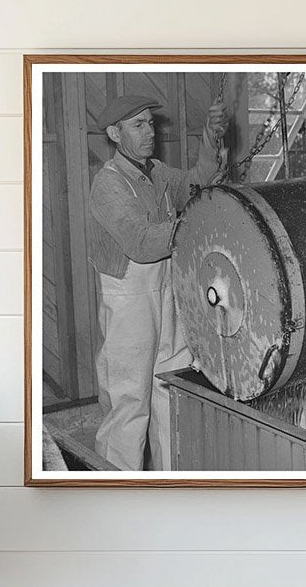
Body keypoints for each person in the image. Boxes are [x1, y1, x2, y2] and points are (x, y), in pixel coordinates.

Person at [88, 92, 228, 471]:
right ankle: (117, 491)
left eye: (150, 123)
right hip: (130, 300)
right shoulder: (109, 184)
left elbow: (199, 184)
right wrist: (195, 225)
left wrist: (211, 137)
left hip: (169, 292)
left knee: (170, 392)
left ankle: (167, 486)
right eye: (138, 125)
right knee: (130, 401)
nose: (149, 131)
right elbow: (142, 242)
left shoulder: (158, 172)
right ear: (115, 134)